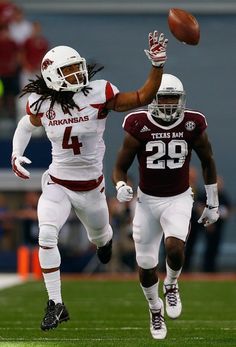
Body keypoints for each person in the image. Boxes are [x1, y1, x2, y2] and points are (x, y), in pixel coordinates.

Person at [11, 30, 168, 331]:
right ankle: (55, 303)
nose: (77, 73)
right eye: (68, 70)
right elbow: (25, 125)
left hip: (92, 189)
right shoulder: (41, 102)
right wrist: (16, 153)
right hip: (57, 183)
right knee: (46, 234)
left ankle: (104, 242)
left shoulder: (98, 93)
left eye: (76, 66)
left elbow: (142, 97)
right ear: (51, 75)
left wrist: (157, 66)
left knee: (100, 237)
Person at [112, 73, 219, 339]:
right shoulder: (139, 125)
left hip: (178, 198)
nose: (169, 104)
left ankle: (171, 284)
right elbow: (119, 167)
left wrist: (212, 203)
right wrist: (120, 186)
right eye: (164, 98)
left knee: (174, 247)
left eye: (173, 98)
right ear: (153, 100)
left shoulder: (193, 124)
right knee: (146, 265)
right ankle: (154, 308)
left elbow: (208, 160)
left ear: (182, 100)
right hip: (146, 202)